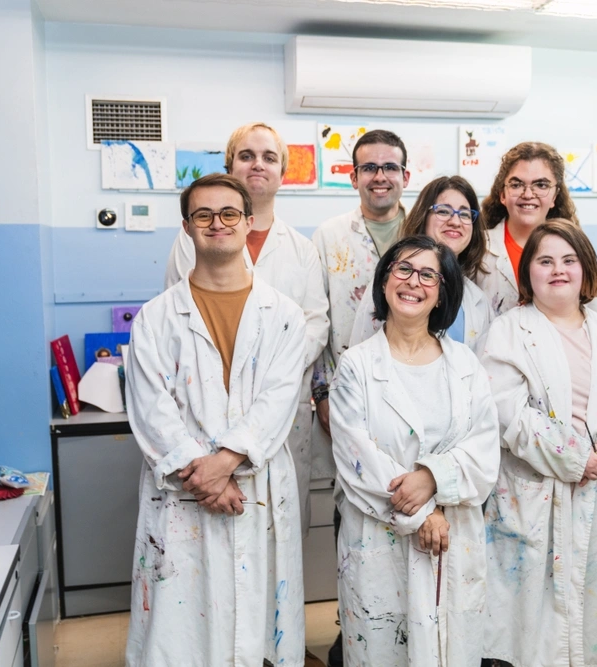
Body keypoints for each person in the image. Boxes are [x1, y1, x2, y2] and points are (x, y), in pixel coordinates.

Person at [125, 173, 307, 667]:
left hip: (255, 484)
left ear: (249, 223)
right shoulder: (155, 318)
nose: (217, 224)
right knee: (179, 627)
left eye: (229, 214)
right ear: (186, 228)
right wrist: (202, 472)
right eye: (203, 215)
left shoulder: (286, 315)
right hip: (185, 491)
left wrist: (224, 461)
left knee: (259, 624)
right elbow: (150, 408)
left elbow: (280, 399)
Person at [480, 220, 597, 667]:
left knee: (593, 619)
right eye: (544, 261)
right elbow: (506, 412)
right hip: (533, 493)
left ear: (585, 269)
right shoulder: (507, 332)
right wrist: (575, 457)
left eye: (568, 260)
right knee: (530, 631)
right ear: (528, 274)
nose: (557, 270)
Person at [329, 235, 500, 667]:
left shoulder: (465, 365)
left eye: (429, 274)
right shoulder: (357, 365)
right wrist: (425, 513)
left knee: (451, 650)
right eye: (403, 269)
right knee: (383, 648)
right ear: (385, 281)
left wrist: (432, 478)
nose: (413, 282)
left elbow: (484, 449)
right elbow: (356, 458)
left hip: (452, 541)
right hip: (380, 536)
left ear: (443, 291)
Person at [164, 122, 329, 537]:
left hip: (281, 412)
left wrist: (265, 373)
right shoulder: (192, 239)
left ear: (282, 172)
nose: (258, 164)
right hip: (206, 408)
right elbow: (179, 323)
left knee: (277, 535)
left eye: (269, 157)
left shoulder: (301, 249)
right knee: (208, 533)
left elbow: (316, 325)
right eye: (247, 155)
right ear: (230, 166)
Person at [311, 128, 410, 667]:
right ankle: (353, 634)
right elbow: (316, 321)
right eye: (369, 167)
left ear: (404, 176)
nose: (379, 176)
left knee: (409, 504)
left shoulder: (423, 231)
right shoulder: (328, 236)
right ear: (353, 176)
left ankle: (405, 635)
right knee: (354, 514)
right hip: (347, 402)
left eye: (389, 167)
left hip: (414, 397)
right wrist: (321, 395)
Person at [347, 175, 494, 353]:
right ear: (423, 217)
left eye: (464, 214)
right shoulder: (393, 286)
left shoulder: (477, 301)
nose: (455, 221)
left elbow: (479, 375)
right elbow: (359, 358)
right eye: (443, 211)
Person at [477, 142, 581, 316]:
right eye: (516, 185)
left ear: (555, 196)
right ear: (502, 194)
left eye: (541, 185)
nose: (527, 195)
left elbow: (592, 321)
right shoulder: (477, 249)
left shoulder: (575, 249)